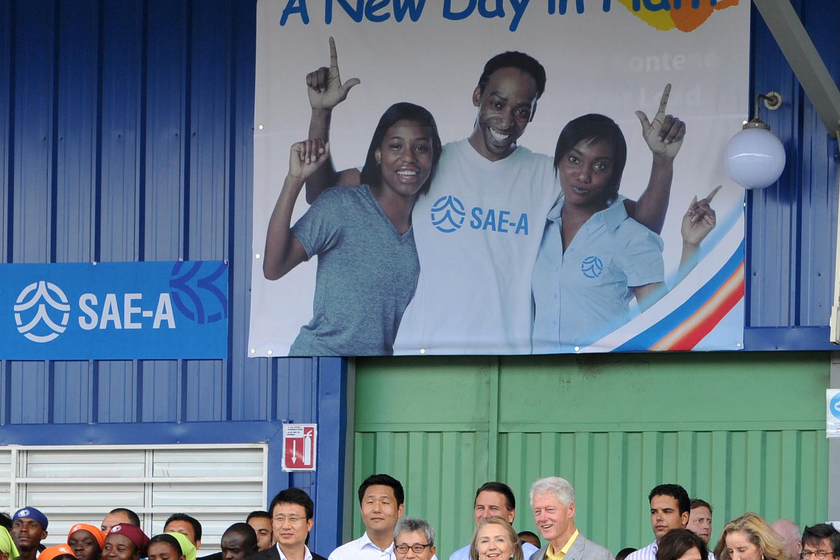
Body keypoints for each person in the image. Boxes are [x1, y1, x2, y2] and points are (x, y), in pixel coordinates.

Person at [300, 45, 683, 354]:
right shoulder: (427, 162)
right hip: (426, 353)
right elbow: (325, 194)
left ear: (532, 114)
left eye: (521, 110)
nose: (505, 119)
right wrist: (321, 112)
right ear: (478, 96)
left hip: (511, 359)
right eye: (497, 104)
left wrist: (662, 162)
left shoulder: (547, 174)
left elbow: (638, 226)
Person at [532, 115, 717, 352]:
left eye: (600, 166)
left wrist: (690, 246)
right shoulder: (539, 225)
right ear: (558, 160)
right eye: (574, 159)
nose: (583, 175)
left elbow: (667, 321)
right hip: (537, 379)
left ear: (614, 173)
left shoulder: (630, 236)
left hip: (603, 377)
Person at [267, 107, 438, 356]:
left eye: (421, 148)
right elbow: (273, 267)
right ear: (378, 154)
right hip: (318, 362)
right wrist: (294, 180)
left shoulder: (432, 226)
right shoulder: (342, 205)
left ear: (434, 157)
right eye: (396, 146)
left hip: (376, 372)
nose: (409, 157)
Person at [444, 482, 539, 560]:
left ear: (511, 514)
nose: (485, 515)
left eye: (493, 508)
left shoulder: (533, 557)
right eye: (480, 508)